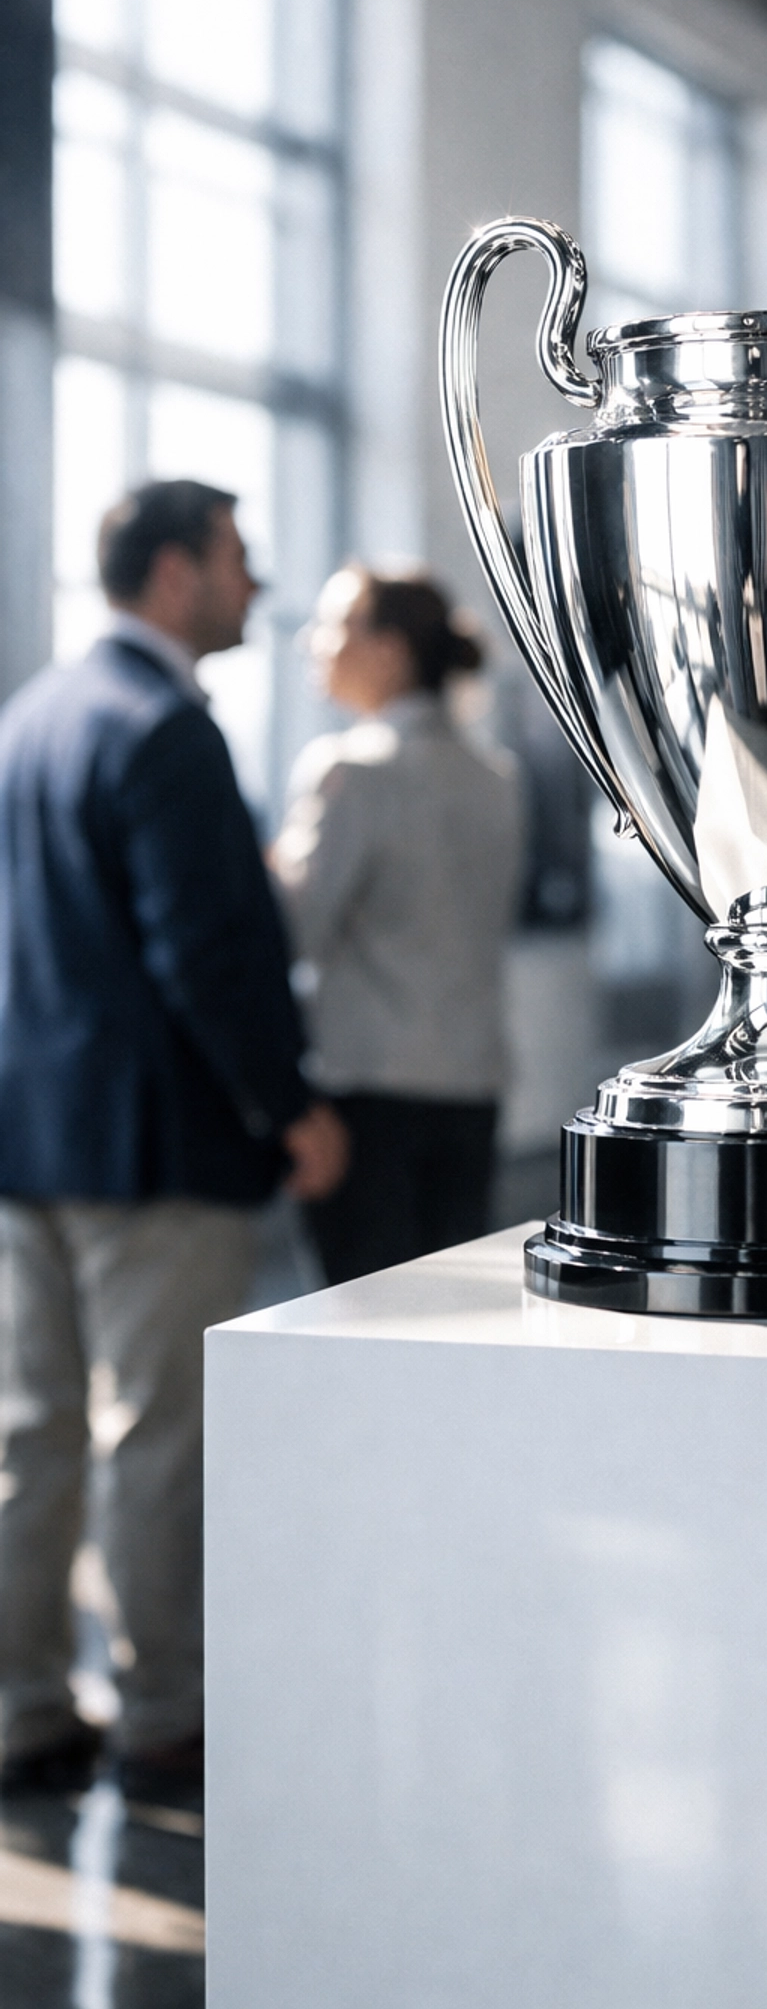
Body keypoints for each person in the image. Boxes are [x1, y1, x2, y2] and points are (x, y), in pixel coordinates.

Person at [0, 481, 348, 1801]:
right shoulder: (165, 731)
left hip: (27, 1139)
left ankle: (23, 1704)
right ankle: (161, 1715)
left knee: (31, 1434)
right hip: (154, 1147)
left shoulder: (31, 719)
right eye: (236, 560)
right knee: (155, 1437)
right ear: (172, 572)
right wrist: (289, 1106)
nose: (253, 586)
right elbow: (205, 951)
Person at [270, 567, 525, 1284]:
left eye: (334, 626)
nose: (312, 644)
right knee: (441, 1320)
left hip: (370, 1095)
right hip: (471, 1084)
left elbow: (295, 930)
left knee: (359, 1319)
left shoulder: (349, 770)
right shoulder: (494, 776)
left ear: (389, 650)